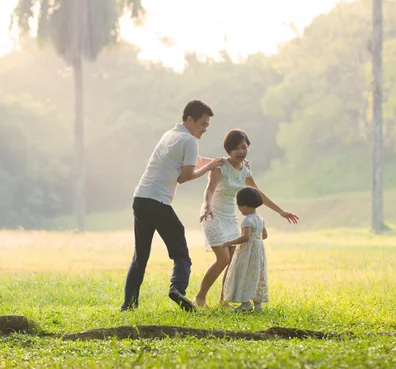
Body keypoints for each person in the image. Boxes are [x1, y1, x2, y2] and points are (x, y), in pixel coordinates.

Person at [121, 100, 225, 312]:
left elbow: (194, 161)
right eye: (203, 124)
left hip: (140, 198)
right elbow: (184, 177)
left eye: (207, 125)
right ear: (189, 119)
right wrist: (209, 168)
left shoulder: (170, 135)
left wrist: (218, 161)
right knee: (181, 254)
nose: (204, 129)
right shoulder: (190, 140)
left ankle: (128, 305)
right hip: (158, 201)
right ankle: (177, 288)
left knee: (140, 255)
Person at [193, 129, 298, 308]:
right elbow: (209, 189)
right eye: (236, 149)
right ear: (228, 151)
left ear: (248, 146)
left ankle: (223, 301)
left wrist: (280, 211)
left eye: (243, 147)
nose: (240, 152)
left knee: (233, 261)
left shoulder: (245, 169)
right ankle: (200, 297)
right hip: (212, 214)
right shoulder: (220, 166)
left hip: (231, 217)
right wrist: (207, 205)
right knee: (223, 259)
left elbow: (257, 192)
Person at [222, 187, 268, 312]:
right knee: (256, 274)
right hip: (258, 251)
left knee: (244, 274)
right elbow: (265, 235)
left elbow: (245, 237)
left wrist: (229, 243)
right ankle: (258, 305)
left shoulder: (247, 220)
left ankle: (245, 303)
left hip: (247, 252)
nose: (239, 209)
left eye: (240, 206)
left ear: (246, 205)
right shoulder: (260, 219)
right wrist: (256, 242)